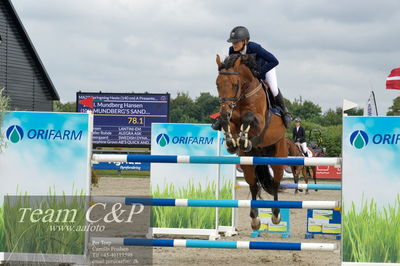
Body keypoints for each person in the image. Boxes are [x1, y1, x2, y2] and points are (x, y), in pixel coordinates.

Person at [212, 26, 292, 130]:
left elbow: (274, 61)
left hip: (265, 69)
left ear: (245, 41)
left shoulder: (255, 48)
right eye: (232, 42)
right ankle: (224, 117)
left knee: (274, 89)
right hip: (248, 75)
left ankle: (284, 112)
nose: (234, 44)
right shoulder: (232, 50)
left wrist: (260, 72)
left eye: (236, 42)